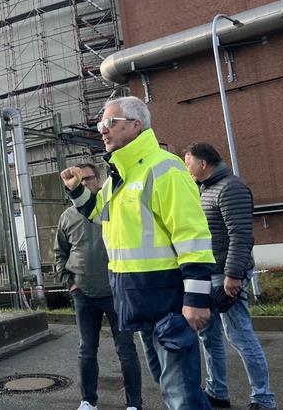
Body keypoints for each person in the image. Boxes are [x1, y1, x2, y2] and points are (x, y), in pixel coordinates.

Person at [60, 96, 215, 410]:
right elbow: (97, 212)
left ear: (135, 125)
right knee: (171, 387)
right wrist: (77, 189)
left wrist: (197, 298)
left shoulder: (164, 169)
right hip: (137, 300)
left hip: (166, 301)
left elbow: (193, 237)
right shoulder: (119, 176)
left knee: (181, 394)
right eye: (100, 124)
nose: (102, 130)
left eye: (109, 123)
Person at [184, 142, 277, 410]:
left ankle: (263, 399)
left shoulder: (231, 188)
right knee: (208, 337)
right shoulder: (206, 189)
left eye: (189, 163)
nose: (187, 168)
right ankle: (217, 392)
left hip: (227, 275)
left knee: (240, 336)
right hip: (209, 273)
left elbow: (241, 234)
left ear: (203, 164)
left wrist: (233, 275)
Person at [55, 163, 143, 410]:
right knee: (86, 349)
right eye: (78, 181)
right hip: (84, 293)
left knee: (126, 350)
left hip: (117, 291)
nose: (83, 185)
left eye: (88, 179)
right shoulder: (67, 216)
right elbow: (60, 253)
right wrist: (70, 284)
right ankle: (88, 400)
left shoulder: (113, 208)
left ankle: (134, 403)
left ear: (99, 180)